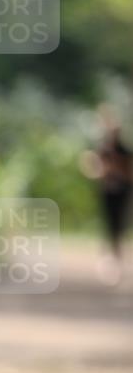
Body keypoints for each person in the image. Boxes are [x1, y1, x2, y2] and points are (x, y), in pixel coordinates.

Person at [80, 105, 132, 285]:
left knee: (118, 225)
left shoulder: (124, 151)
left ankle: (116, 259)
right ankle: (109, 258)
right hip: (107, 192)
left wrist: (116, 168)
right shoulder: (102, 150)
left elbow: (128, 173)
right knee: (108, 224)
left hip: (122, 191)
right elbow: (92, 169)